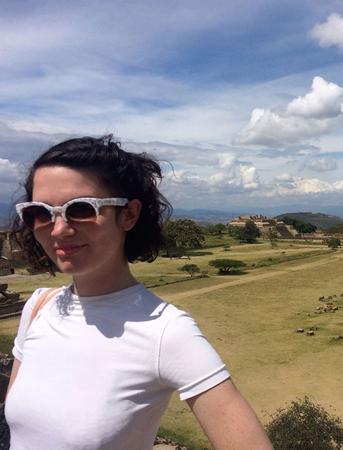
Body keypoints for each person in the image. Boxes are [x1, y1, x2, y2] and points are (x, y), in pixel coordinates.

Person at [5, 136, 273, 450]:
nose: (59, 229)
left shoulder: (167, 332)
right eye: (41, 212)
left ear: (129, 214)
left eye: (80, 209)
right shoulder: (38, 308)